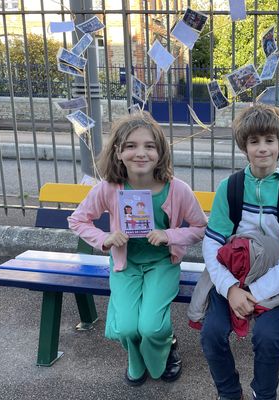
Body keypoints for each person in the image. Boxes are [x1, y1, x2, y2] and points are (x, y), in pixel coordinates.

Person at [68, 111, 208, 386]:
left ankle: (166, 348)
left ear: (160, 152)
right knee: (127, 327)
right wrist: (105, 239)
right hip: (125, 264)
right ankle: (136, 359)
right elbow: (78, 220)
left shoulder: (177, 189)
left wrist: (168, 235)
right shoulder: (109, 188)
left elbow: (201, 228)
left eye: (149, 146)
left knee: (151, 326)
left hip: (161, 264)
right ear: (118, 153)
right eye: (131, 146)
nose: (140, 153)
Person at [200, 104, 279, 400]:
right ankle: (229, 392)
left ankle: (264, 395)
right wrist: (231, 290)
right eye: (254, 141)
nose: (262, 148)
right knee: (211, 333)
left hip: (274, 275)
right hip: (233, 273)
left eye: (269, 141)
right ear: (244, 146)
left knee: (268, 338)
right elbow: (212, 243)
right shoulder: (231, 187)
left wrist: (257, 290)